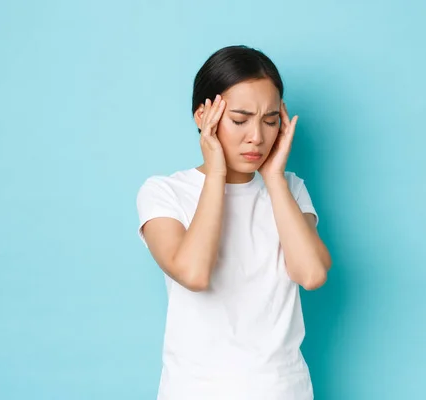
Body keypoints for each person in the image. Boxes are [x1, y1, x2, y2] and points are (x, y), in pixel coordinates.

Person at [136, 45, 332, 400]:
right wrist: (216, 173)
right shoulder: (164, 193)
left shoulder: (290, 189)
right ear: (203, 116)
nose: (257, 136)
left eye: (271, 120)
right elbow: (194, 273)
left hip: (285, 390)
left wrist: (273, 178)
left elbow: (312, 274)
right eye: (240, 120)